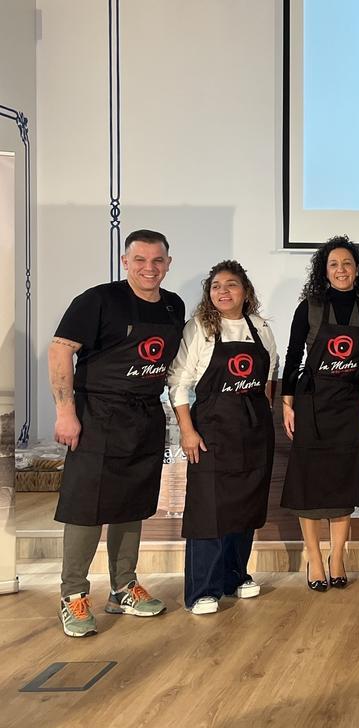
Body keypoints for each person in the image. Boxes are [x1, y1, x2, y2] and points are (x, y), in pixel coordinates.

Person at [50, 229, 185, 637]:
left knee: (132, 503)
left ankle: (124, 587)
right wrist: (65, 412)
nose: (149, 268)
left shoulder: (173, 305)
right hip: (97, 414)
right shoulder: (98, 300)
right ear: (125, 262)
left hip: (144, 415)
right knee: (86, 506)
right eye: (140, 260)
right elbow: (60, 350)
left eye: (157, 260)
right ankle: (73, 594)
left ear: (168, 263)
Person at [168, 260, 278, 615]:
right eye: (216, 286)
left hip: (254, 430)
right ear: (209, 293)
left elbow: (269, 374)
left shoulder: (259, 326)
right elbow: (179, 383)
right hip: (212, 430)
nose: (223, 291)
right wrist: (187, 430)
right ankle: (203, 589)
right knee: (208, 510)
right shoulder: (200, 327)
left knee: (245, 507)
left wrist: (261, 418)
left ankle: (235, 576)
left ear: (245, 292)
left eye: (231, 285)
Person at [279, 236, 359, 591]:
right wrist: (287, 403)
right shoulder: (308, 308)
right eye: (334, 264)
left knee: (343, 484)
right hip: (312, 403)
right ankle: (315, 559)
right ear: (325, 271)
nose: (341, 270)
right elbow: (293, 357)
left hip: (350, 405)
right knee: (310, 486)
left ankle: (337, 557)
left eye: (347, 264)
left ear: (357, 271)